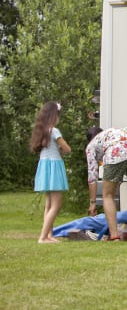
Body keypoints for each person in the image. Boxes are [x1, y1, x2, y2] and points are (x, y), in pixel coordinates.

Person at [85, 127, 127, 242]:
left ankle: (115, 236)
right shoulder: (115, 131)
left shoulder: (91, 145)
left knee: (108, 196)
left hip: (115, 153)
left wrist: (92, 203)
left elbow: (92, 176)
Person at [30, 101, 71, 244]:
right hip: (54, 166)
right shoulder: (54, 131)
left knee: (48, 204)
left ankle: (49, 235)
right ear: (54, 115)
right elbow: (67, 149)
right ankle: (42, 237)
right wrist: (62, 150)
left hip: (44, 166)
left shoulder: (43, 131)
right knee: (56, 204)